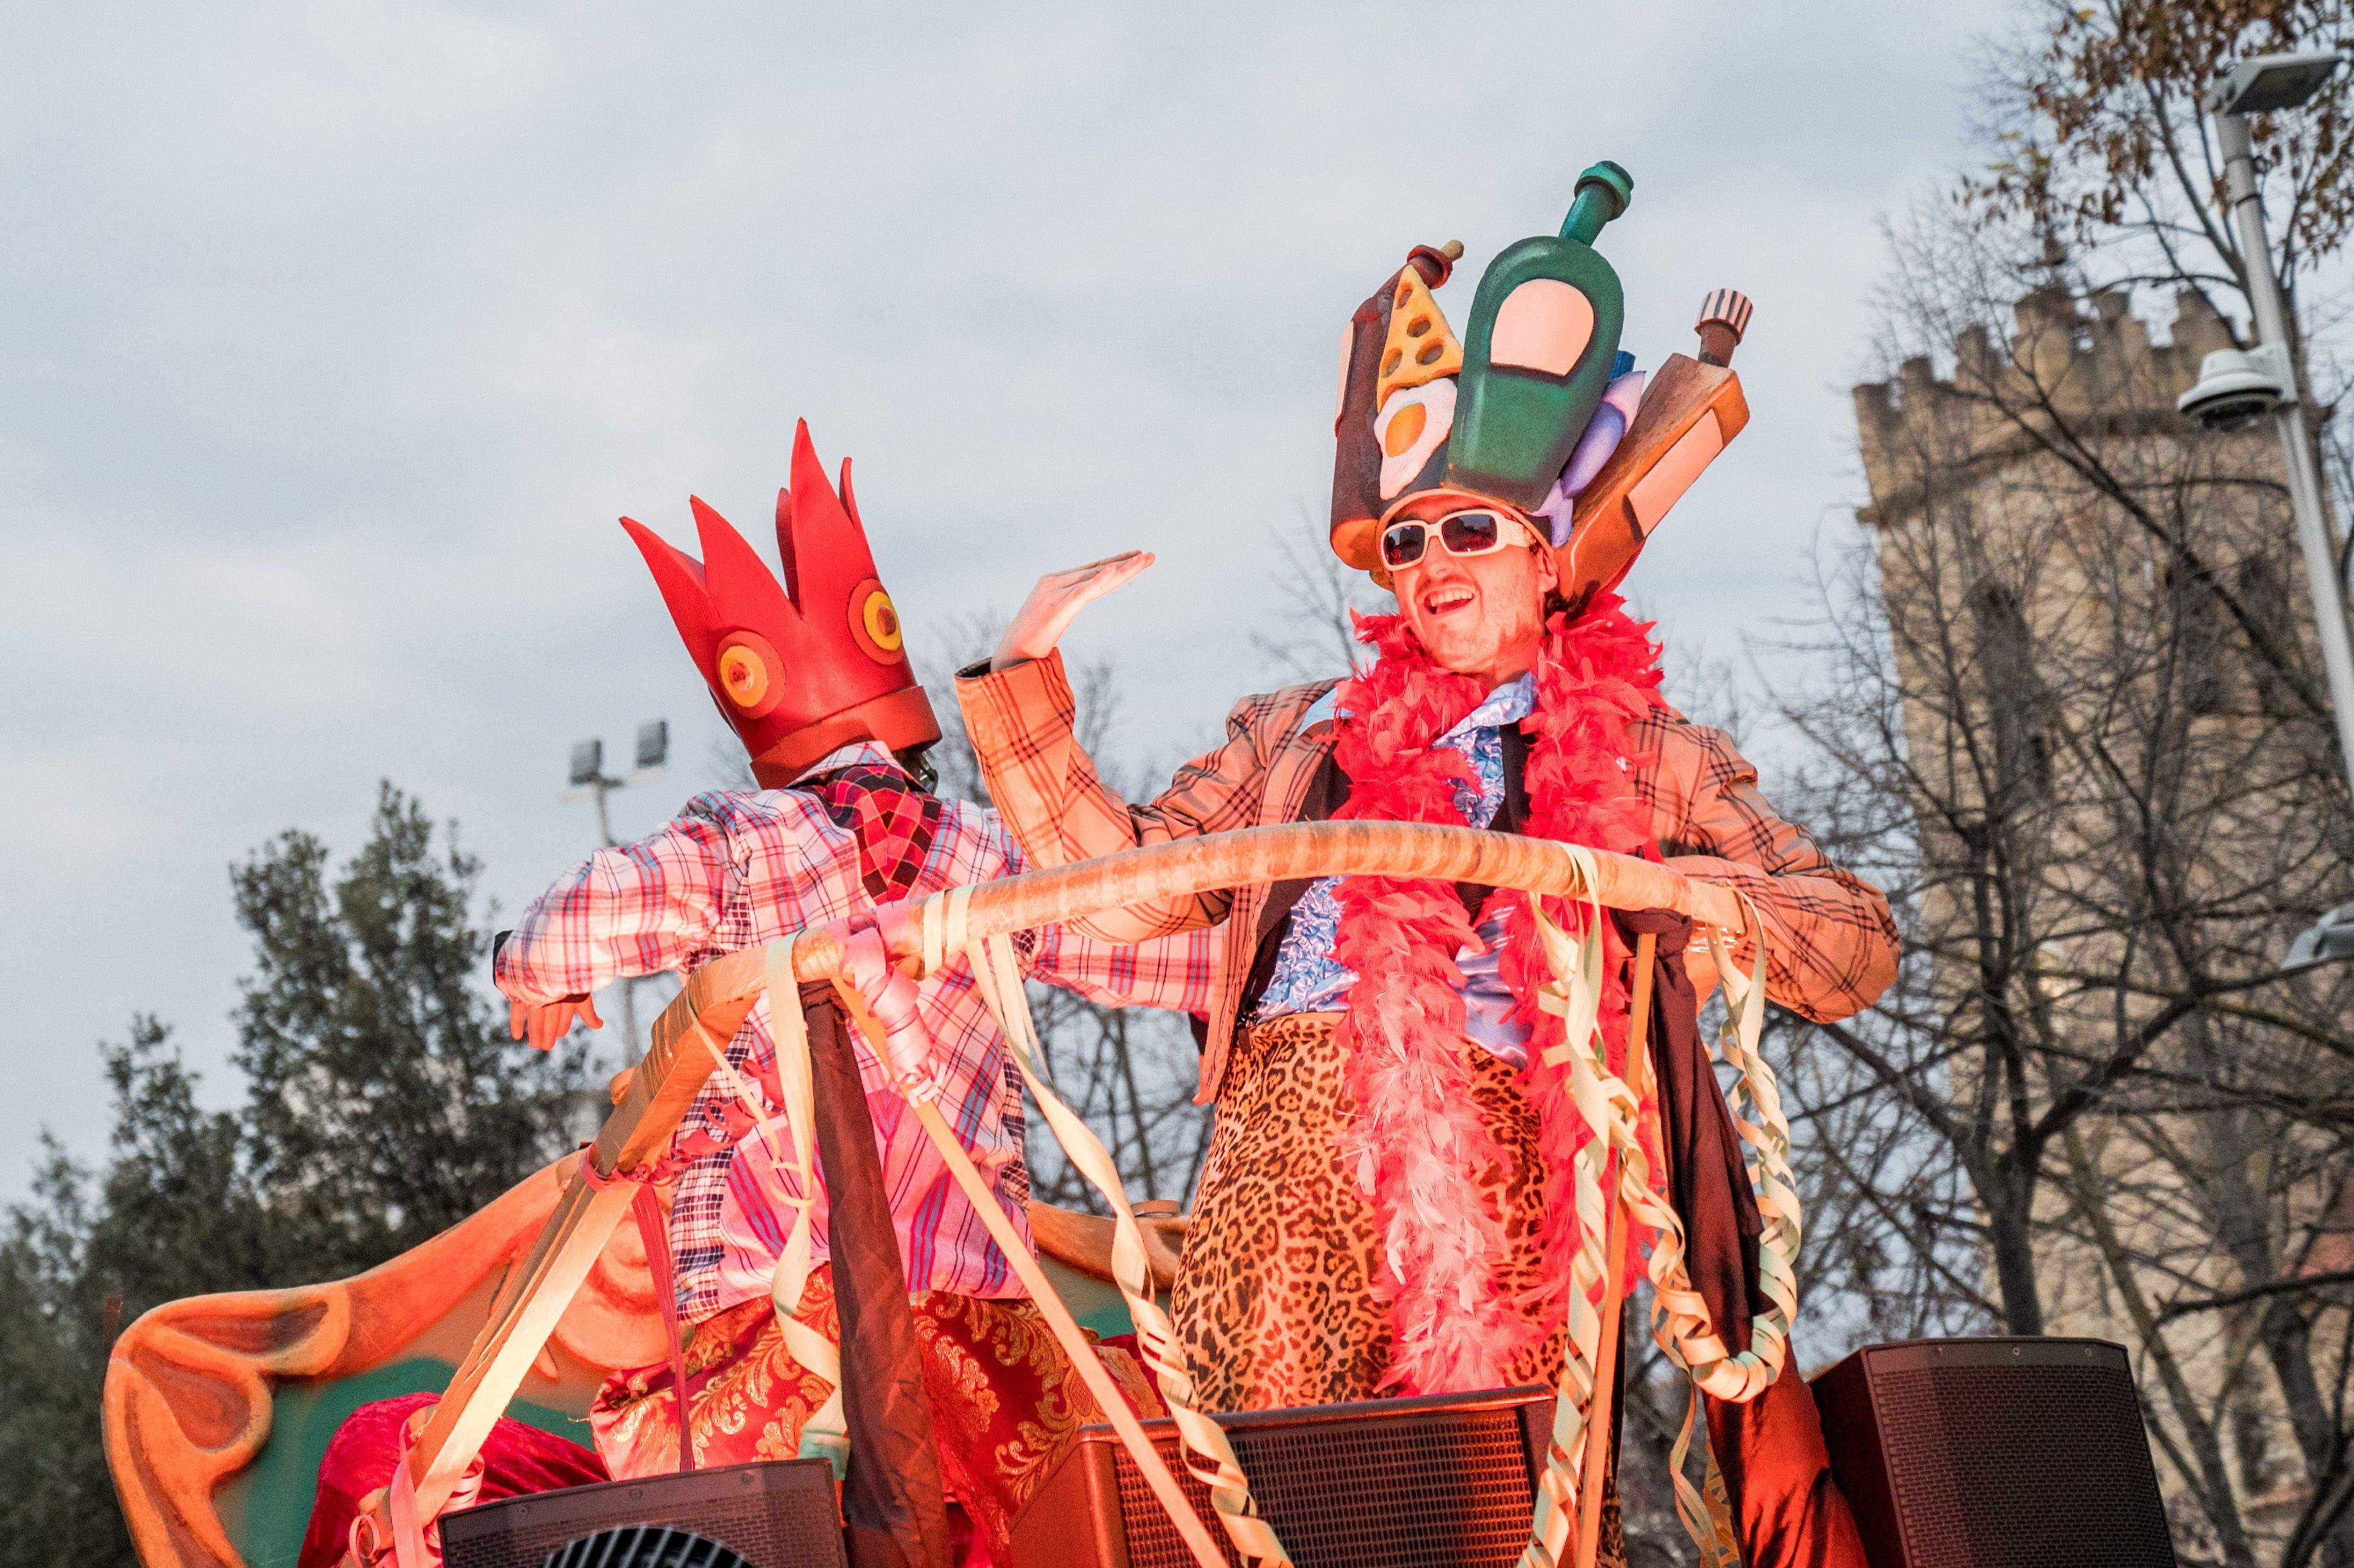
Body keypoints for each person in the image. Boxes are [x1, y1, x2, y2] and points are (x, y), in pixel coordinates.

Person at [951, 179, 1897, 1568]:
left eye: (1467, 531)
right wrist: (1022, 682)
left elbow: (1852, 946)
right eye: (1405, 538)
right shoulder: (1300, 735)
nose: (1428, 563)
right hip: (1279, 1149)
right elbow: (1123, 886)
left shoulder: (1646, 752)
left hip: (1517, 1143)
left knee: (1493, 1511)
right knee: (1267, 1513)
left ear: (1545, 557)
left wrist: (1679, 915)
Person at [306, 423, 1207, 1568]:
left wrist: (536, 972)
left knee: (476, 1479)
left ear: (769, 735)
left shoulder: (733, 846)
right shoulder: (989, 852)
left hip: (778, 1375)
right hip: (987, 1364)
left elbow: (559, 934)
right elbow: (1164, 954)